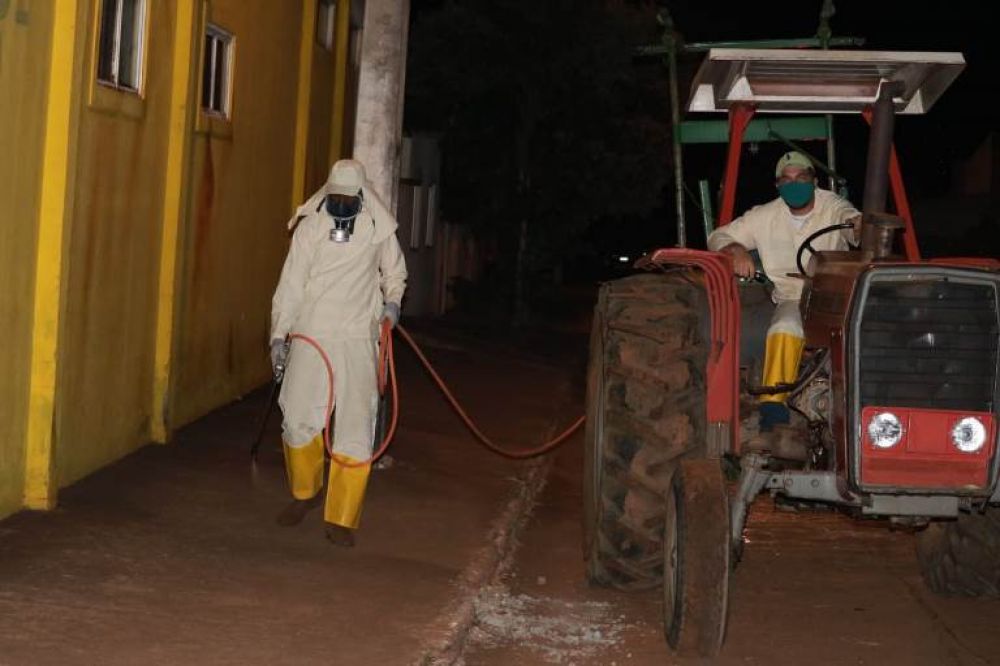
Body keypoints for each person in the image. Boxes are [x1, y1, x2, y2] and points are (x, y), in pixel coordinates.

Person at [270, 159, 407, 546]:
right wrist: (279, 335)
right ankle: (305, 493)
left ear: (361, 197)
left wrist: (392, 306)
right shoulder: (310, 228)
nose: (342, 205)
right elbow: (291, 284)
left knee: (354, 427)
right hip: (311, 333)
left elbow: (394, 273)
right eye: (337, 198)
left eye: (349, 199)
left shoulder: (378, 229)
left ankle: (342, 518)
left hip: (357, 339)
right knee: (297, 418)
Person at [707, 151, 860, 453]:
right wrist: (735, 249)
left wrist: (858, 223)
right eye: (787, 180)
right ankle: (773, 416)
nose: (795, 185)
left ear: (814, 181)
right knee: (784, 326)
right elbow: (718, 236)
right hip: (793, 296)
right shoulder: (764, 215)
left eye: (801, 178)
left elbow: (852, 218)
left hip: (838, 296)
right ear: (778, 185)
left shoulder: (833, 205)